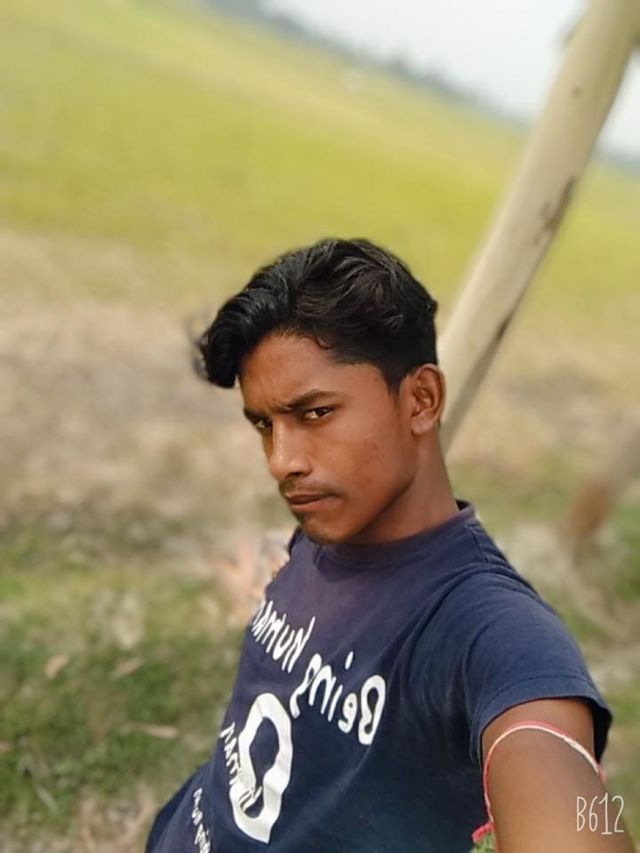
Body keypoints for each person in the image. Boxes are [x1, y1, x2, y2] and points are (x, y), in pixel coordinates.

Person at [146, 238, 633, 852]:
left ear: (421, 400)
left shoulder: (494, 633)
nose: (281, 461)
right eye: (265, 424)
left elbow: (551, 769)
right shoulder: (323, 532)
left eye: (315, 414)